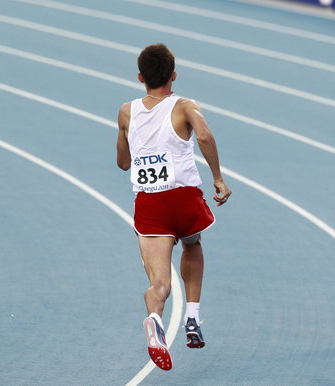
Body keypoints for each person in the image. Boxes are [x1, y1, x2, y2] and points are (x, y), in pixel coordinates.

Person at [116, 43, 232, 370]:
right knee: (193, 244)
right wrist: (219, 178)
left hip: (150, 203)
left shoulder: (127, 111)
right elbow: (206, 137)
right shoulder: (184, 106)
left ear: (140, 77)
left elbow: (123, 162)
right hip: (183, 197)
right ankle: (192, 316)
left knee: (160, 284)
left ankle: (154, 318)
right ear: (174, 75)